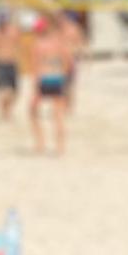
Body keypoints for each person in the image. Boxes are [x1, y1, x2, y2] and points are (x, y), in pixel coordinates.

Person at [29, 11, 75, 154]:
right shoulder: (59, 42)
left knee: (32, 111)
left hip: (44, 77)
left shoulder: (38, 44)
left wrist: (35, 85)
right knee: (58, 115)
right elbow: (69, 61)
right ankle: (60, 147)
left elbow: (36, 66)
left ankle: (40, 142)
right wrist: (65, 78)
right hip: (58, 77)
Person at [0, 9, 21, 119]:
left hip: (12, 63)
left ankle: (7, 109)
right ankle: (5, 112)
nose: (2, 23)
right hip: (1, 63)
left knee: (15, 92)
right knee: (3, 90)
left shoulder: (13, 31)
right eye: (0, 21)